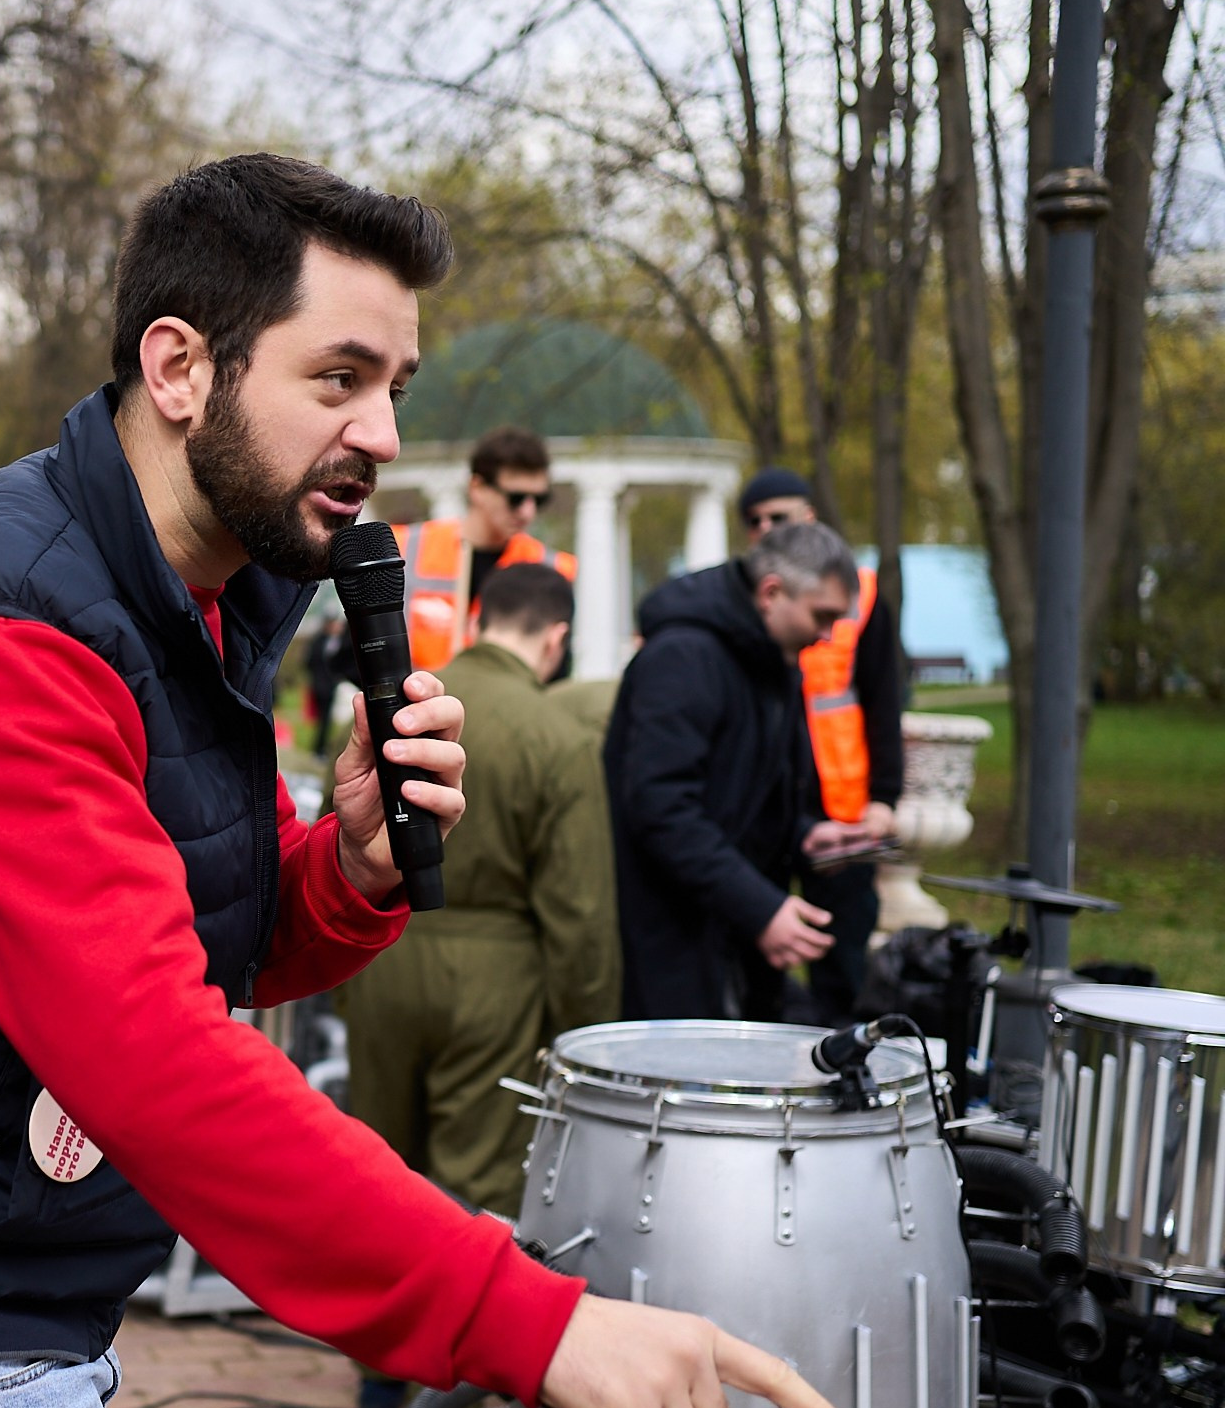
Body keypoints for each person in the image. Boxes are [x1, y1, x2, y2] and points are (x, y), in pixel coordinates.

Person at [0, 153, 846, 1408]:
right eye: (339, 376)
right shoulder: (5, 636)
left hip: (20, 1294)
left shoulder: (192, 595)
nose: (382, 431)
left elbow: (216, 932)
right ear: (181, 364)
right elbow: (152, 1052)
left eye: (396, 383)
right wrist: (526, 1317)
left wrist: (351, 867)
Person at [333, 563, 619, 1221]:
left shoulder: (396, 709)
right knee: (474, 1193)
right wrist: (583, 1033)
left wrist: (345, 982)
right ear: (557, 640)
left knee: (375, 1176)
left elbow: (334, 836)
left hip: (382, 958)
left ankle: (369, 1319)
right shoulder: (558, 738)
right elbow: (580, 914)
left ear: (477, 620)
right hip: (498, 981)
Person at [606, 519, 866, 1021]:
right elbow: (661, 808)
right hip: (675, 941)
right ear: (771, 592)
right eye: (822, 615)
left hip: (731, 933)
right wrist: (761, 908)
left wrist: (805, 835)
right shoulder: (683, 656)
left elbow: (750, 795)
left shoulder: (774, 659)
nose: (828, 634)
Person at [739, 469, 904, 1021]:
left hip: (842, 809)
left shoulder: (860, 596)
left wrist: (883, 797)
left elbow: (884, 699)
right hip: (767, 808)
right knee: (757, 960)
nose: (764, 528)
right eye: (754, 521)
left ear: (807, 518)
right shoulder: (746, 599)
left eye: (777, 517)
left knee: (843, 962)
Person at [397, 426, 579, 672]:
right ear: (477, 487)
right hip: (415, 706)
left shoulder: (551, 569)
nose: (528, 512)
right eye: (516, 498)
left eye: (538, 500)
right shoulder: (403, 548)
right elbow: (355, 651)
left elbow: (558, 671)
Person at [303, 611, 350, 754]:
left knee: (326, 719)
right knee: (321, 718)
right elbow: (310, 662)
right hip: (319, 685)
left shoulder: (339, 641)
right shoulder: (319, 641)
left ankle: (320, 747)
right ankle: (318, 747)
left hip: (330, 686)